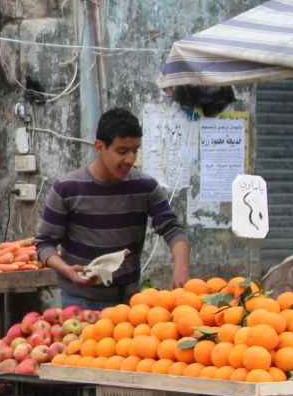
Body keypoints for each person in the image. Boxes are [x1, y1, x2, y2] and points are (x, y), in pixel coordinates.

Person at [36, 107, 190, 308]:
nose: (130, 159)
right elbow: (44, 244)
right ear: (100, 147)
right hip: (79, 301)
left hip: (129, 303)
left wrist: (181, 267)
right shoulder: (67, 188)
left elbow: (173, 229)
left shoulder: (145, 187)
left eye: (135, 150)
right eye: (122, 151)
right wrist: (67, 271)